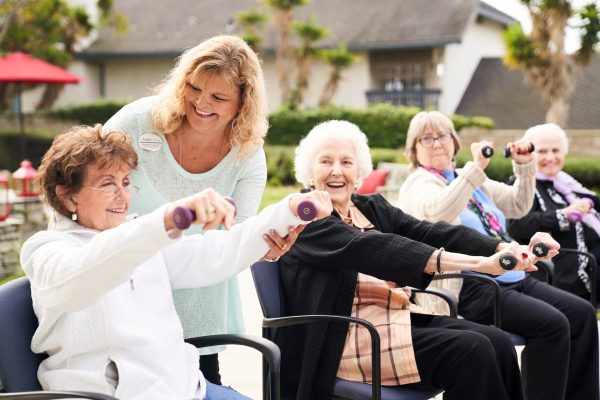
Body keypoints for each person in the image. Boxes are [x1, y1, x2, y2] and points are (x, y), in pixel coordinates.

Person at [22, 124, 332, 400]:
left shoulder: (136, 236)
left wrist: (288, 210)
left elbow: (219, 251)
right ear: (68, 196)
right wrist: (168, 220)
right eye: (107, 184)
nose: (123, 195)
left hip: (188, 388)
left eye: (126, 182)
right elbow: (83, 276)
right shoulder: (45, 251)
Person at [277, 119, 558, 400]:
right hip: (347, 337)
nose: (337, 171)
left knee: (497, 341)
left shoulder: (370, 207)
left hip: (396, 320)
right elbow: (377, 248)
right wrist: (479, 265)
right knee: (473, 351)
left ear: (359, 170)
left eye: (346, 162)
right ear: (309, 171)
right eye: (326, 161)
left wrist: (503, 248)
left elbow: (431, 232)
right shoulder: (306, 218)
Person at [103, 35, 290, 384]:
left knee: (205, 387)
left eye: (219, 97)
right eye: (194, 88)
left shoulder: (246, 154)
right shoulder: (138, 122)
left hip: (199, 310)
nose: (201, 103)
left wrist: (263, 247)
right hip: (128, 302)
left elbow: (240, 235)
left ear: (242, 103)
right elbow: (78, 183)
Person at [398, 111, 598, 400]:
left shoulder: (470, 182)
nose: (437, 143)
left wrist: (524, 166)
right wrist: (475, 168)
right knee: (553, 326)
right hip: (471, 286)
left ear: (454, 142)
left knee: (581, 314)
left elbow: (518, 204)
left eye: (442, 135)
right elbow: (439, 211)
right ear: (414, 150)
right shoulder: (419, 183)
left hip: (512, 276)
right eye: (426, 138)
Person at [508, 122, 600, 299]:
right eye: (542, 151)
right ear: (530, 154)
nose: (550, 157)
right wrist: (564, 214)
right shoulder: (523, 184)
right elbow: (517, 224)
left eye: (556, 151)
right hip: (562, 270)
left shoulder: (567, 183)